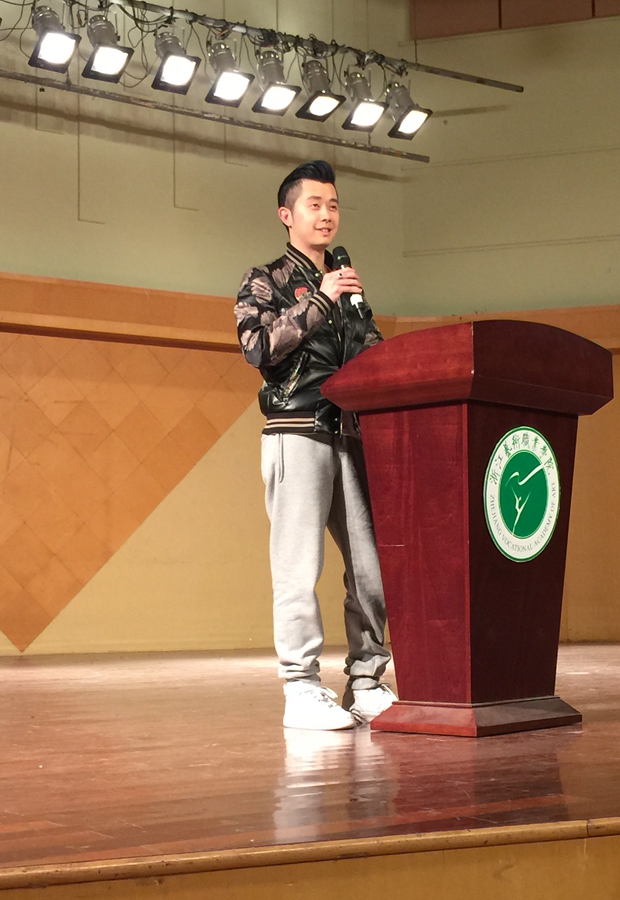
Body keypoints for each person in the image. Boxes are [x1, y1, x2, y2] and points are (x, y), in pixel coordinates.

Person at [234, 160, 396, 731]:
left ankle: (367, 681)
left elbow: (374, 357)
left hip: (351, 435)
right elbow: (258, 347)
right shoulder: (266, 280)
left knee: (372, 568)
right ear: (287, 215)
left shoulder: (347, 287)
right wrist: (321, 300)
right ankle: (301, 687)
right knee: (298, 568)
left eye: (333, 205)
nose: (326, 215)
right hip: (296, 432)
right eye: (314, 205)